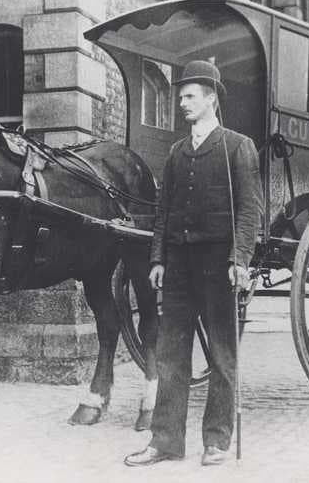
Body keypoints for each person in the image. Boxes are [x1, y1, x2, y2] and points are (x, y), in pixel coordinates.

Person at [124, 60, 263, 467]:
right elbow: (163, 211)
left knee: (221, 354)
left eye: (189, 96)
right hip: (180, 267)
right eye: (180, 96)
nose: (182, 102)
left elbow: (249, 210)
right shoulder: (177, 151)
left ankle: (216, 441)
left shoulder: (237, 146)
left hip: (219, 264)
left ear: (211, 99)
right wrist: (157, 259)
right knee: (171, 354)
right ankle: (165, 441)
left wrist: (240, 260)